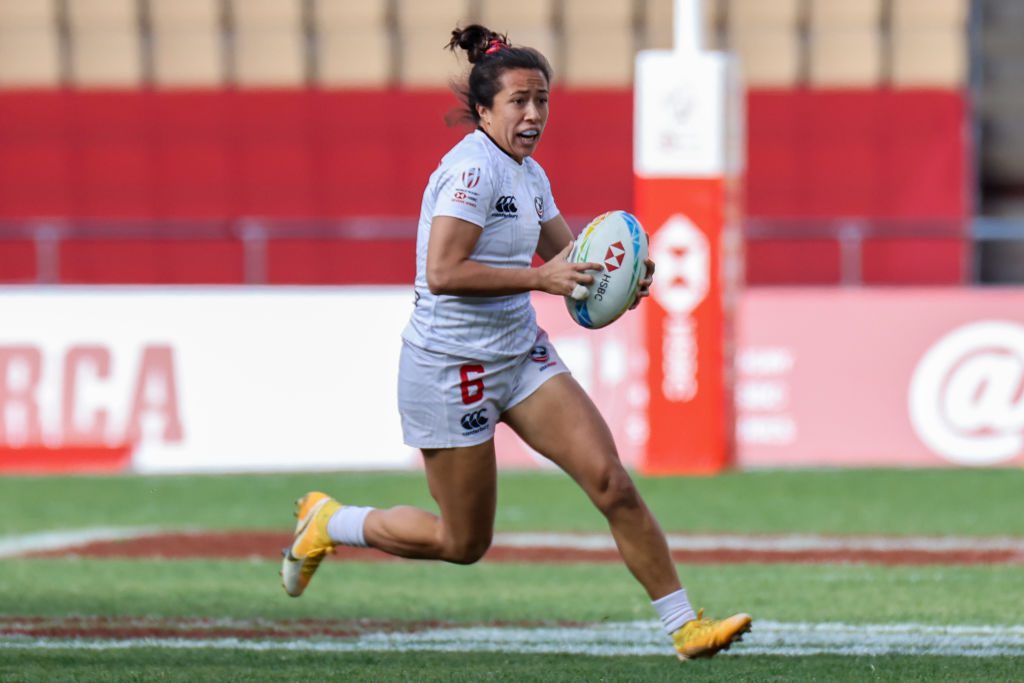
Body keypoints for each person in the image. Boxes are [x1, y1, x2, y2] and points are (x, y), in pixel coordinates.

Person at [280, 24, 751, 661]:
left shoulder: (527, 173)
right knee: (463, 542)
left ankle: (684, 626)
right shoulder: (472, 173)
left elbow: (565, 257)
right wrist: (542, 277)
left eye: (542, 100)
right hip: (451, 365)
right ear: (483, 110)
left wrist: (612, 279)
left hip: (519, 353)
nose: (533, 114)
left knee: (612, 483)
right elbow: (443, 274)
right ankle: (328, 521)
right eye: (518, 101)